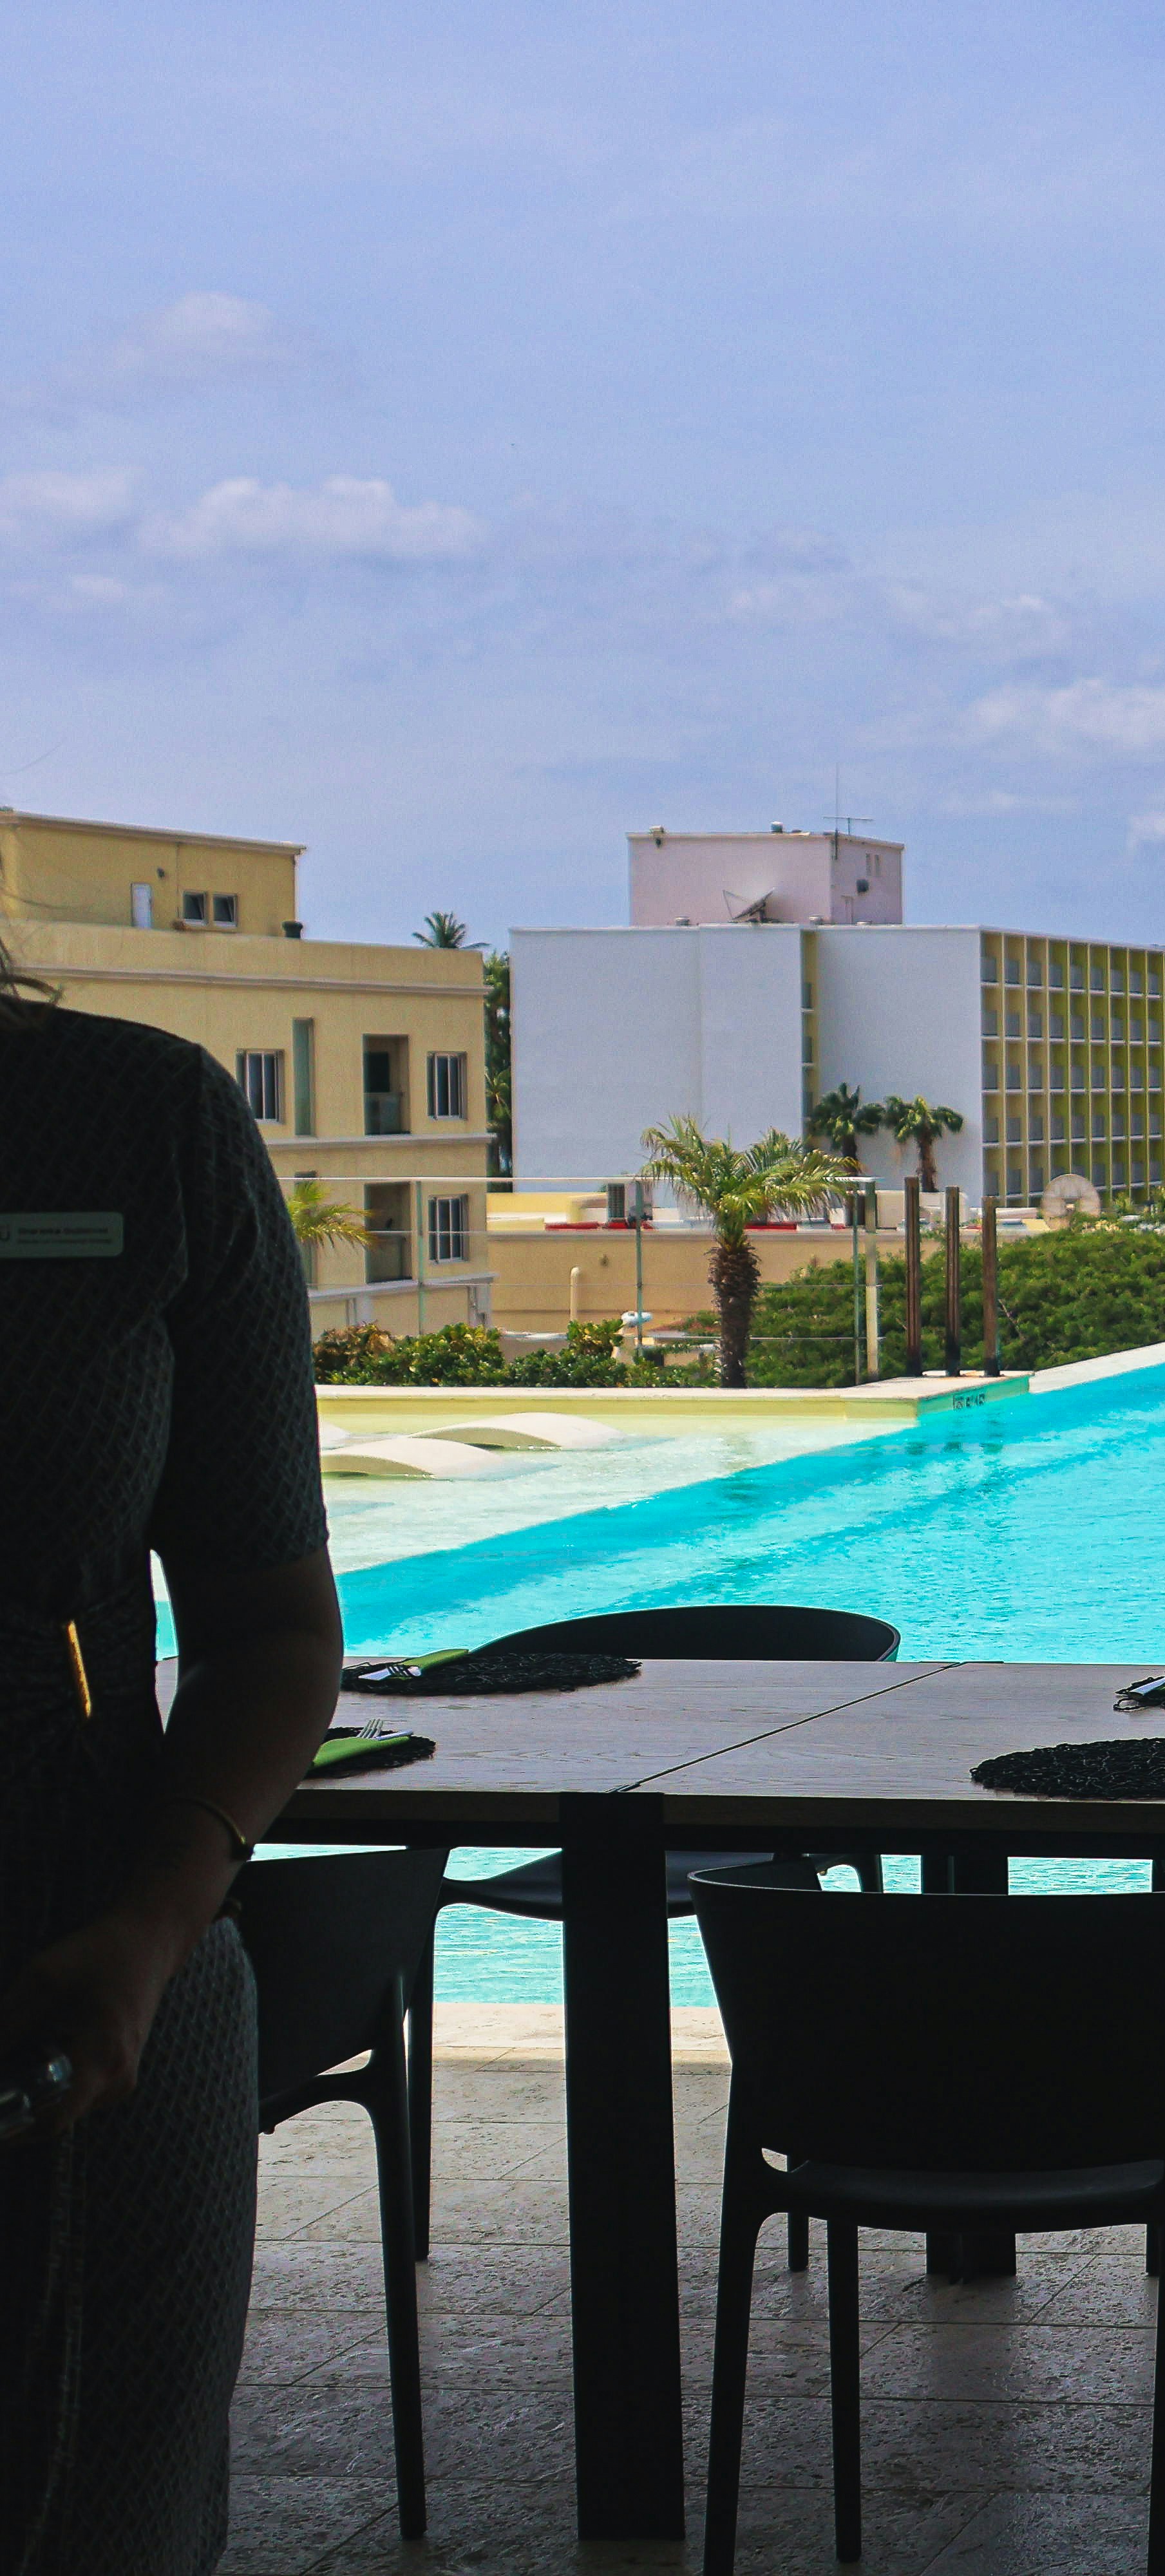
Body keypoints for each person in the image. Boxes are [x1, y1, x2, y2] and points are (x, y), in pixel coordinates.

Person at [0, 946, 344, 2574]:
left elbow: (272, 1628)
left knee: (102, 2518)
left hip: (91, 1990)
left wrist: (153, 1922)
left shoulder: (137, 1124)